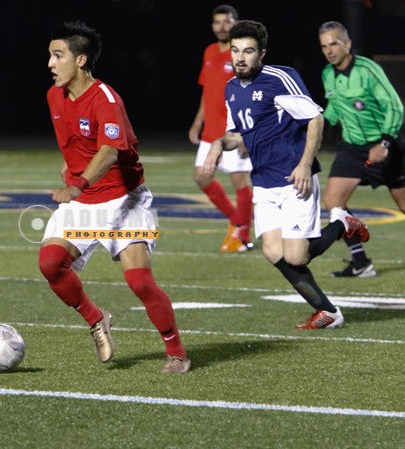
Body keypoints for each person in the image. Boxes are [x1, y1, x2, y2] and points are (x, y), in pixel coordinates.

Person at [40, 21, 190, 373]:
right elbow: (75, 141)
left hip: (124, 200)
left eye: (58, 55)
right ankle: (96, 319)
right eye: (49, 55)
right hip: (84, 203)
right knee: (50, 264)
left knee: (139, 281)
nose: (50, 63)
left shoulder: (106, 99)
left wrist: (76, 185)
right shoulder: (54, 96)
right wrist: (71, 170)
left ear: (80, 60)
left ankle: (176, 352)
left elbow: (109, 151)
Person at [203, 20, 370, 329]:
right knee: (273, 252)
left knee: (296, 257)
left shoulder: (280, 78)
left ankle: (342, 223)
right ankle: (328, 312)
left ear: (261, 54)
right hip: (263, 181)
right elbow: (237, 134)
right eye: (236, 50)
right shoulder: (231, 88)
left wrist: (305, 165)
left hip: (294, 177)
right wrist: (218, 144)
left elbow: (315, 119)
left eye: (248, 51)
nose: (240, 58)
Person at [318, 21, 405, 278]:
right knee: (334, 202)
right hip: (352, 148)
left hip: (385, 145)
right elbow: (334, 108)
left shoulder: (368, 69)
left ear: (347, 44)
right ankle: (361, 262)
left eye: (334, 44)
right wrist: (317, 123)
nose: (329, 51)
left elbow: (395, 106)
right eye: (324, 46)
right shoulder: (327, 74)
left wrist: (385, 143)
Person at [188, 4, 254, 253]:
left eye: (227, 21)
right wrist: (198, 122)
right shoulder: (209, 51)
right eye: (217, 22)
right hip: (211, 131)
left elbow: (250, 94)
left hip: (233, 131)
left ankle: (242, 236)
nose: (222, 27)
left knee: (240, 182)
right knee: (201, 176)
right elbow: (207, 90)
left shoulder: (242, 54)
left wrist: (246, 132)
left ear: (236, 23)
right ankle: (238, 221)